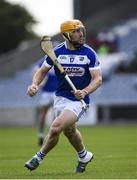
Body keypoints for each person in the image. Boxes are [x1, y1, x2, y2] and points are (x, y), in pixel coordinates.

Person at [25, 19, 102, 173]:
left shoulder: (89, 53)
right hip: (60, 98)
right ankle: (84, 155)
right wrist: (34, 85)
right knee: (70, 132)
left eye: (81, 31)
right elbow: (41, 72)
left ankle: (38, 157)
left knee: (55, 128)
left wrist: (85, 91)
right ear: (67, 35)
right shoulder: (57, 52)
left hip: (78, 100)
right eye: (76, 32)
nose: (81, 34)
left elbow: (98, 79)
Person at [34, 58, 57, 146]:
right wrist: (39, 83)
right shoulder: (42, 61)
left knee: (54, 114)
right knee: (44, 113)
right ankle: (41, 134)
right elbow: (36, 73)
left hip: (55, 92)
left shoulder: (58, 60)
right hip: (47, 92)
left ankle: (50, 135)